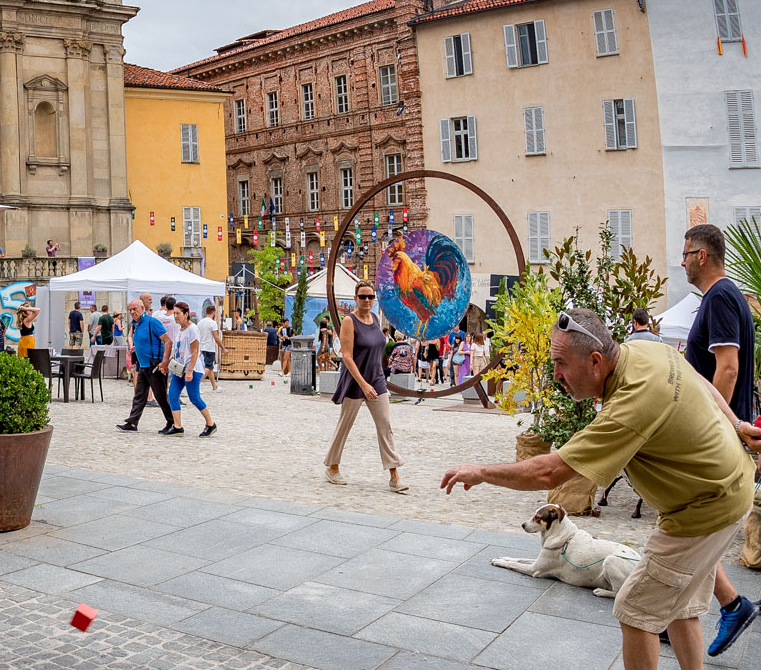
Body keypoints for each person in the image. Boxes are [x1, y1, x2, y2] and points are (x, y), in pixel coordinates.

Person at [442, 308, 761, 670]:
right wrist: (737, 424)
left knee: (635, 610)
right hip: (729, 487)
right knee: (677, 605)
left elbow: (549, 473)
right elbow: (699, 378)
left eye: (561, 363)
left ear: (595, 361)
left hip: (704, 510)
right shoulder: (646, 350)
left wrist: (481, 472)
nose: (556, 374)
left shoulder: (629, 406)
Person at [677, 223, 760, 657]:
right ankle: (698, 611)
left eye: (685, 254)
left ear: (702, 256)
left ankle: (728, 605)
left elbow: (727, 368)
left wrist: (708, 425)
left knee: (686, 524)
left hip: (716, 435)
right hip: (722, 433)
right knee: (688, 525)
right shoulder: (724, 297)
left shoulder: (721, 296)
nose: (682, 262)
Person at [325, 281, 407, 493]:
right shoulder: (349, 321)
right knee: (345, 425)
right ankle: (332, 467)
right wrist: (363, 384)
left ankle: (394, 475)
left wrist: (376, 379)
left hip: (377, 379)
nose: (367, 300)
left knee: (385, 425)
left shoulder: (375, 319)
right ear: (356, 299)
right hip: (355, 380)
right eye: (363, 296)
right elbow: (347, 356)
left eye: (370, 296)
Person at [116, 297, 176, 434]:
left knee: (161, 397)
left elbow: (168, 341)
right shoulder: (136, 325)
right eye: (130, 310)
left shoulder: (152, 322)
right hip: (143, 366)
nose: (132, 312)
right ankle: (132, 423)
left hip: (154, 366)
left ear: (142, 308)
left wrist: (164, 362)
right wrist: (136, 348)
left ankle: (173, 422)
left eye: (134, 309)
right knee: (139, 396)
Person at [166, 302, 217, 437]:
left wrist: (190, 371)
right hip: (179, 369)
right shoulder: (179, 329)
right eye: (174, 313)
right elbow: (177, 348)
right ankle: (177, 426)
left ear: (186, 314)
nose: (175, 316)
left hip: (192, 368)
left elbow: (195, 351)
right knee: (172, 395)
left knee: (194, 397)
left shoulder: (192, 329)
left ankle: (210, 423)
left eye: (178, 313)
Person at [198, 304, 224, 392]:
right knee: (208, 368)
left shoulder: (200, 322)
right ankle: (196, 384)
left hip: (202, 347)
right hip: (209, 347)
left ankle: (214, 387)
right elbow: (216, 337)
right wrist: (223, 348)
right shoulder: (212, 323)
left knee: (210, 368)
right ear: (213, 312)